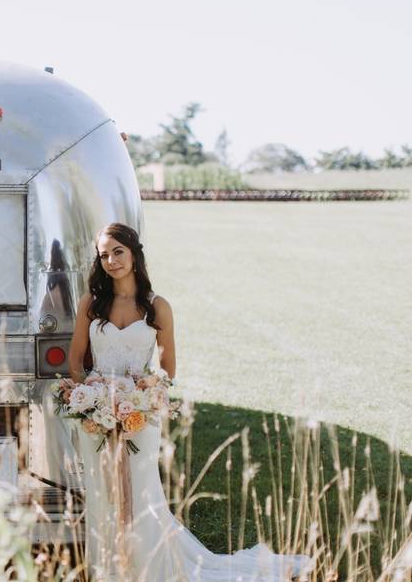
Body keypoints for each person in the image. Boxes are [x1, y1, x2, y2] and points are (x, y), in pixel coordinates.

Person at [66, 222, 310, 581]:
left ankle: (147, 568)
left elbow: (167, 369)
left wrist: (141, 399)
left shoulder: (157, 307)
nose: (111, 260)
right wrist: (91, 395)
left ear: (134, 253)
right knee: (102, 492)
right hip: (95, 417)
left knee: (143, 494)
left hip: (139, 417)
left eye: (118, 251)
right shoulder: (91, 303)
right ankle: (109, 569)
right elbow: (75, 360)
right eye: (104, 255)